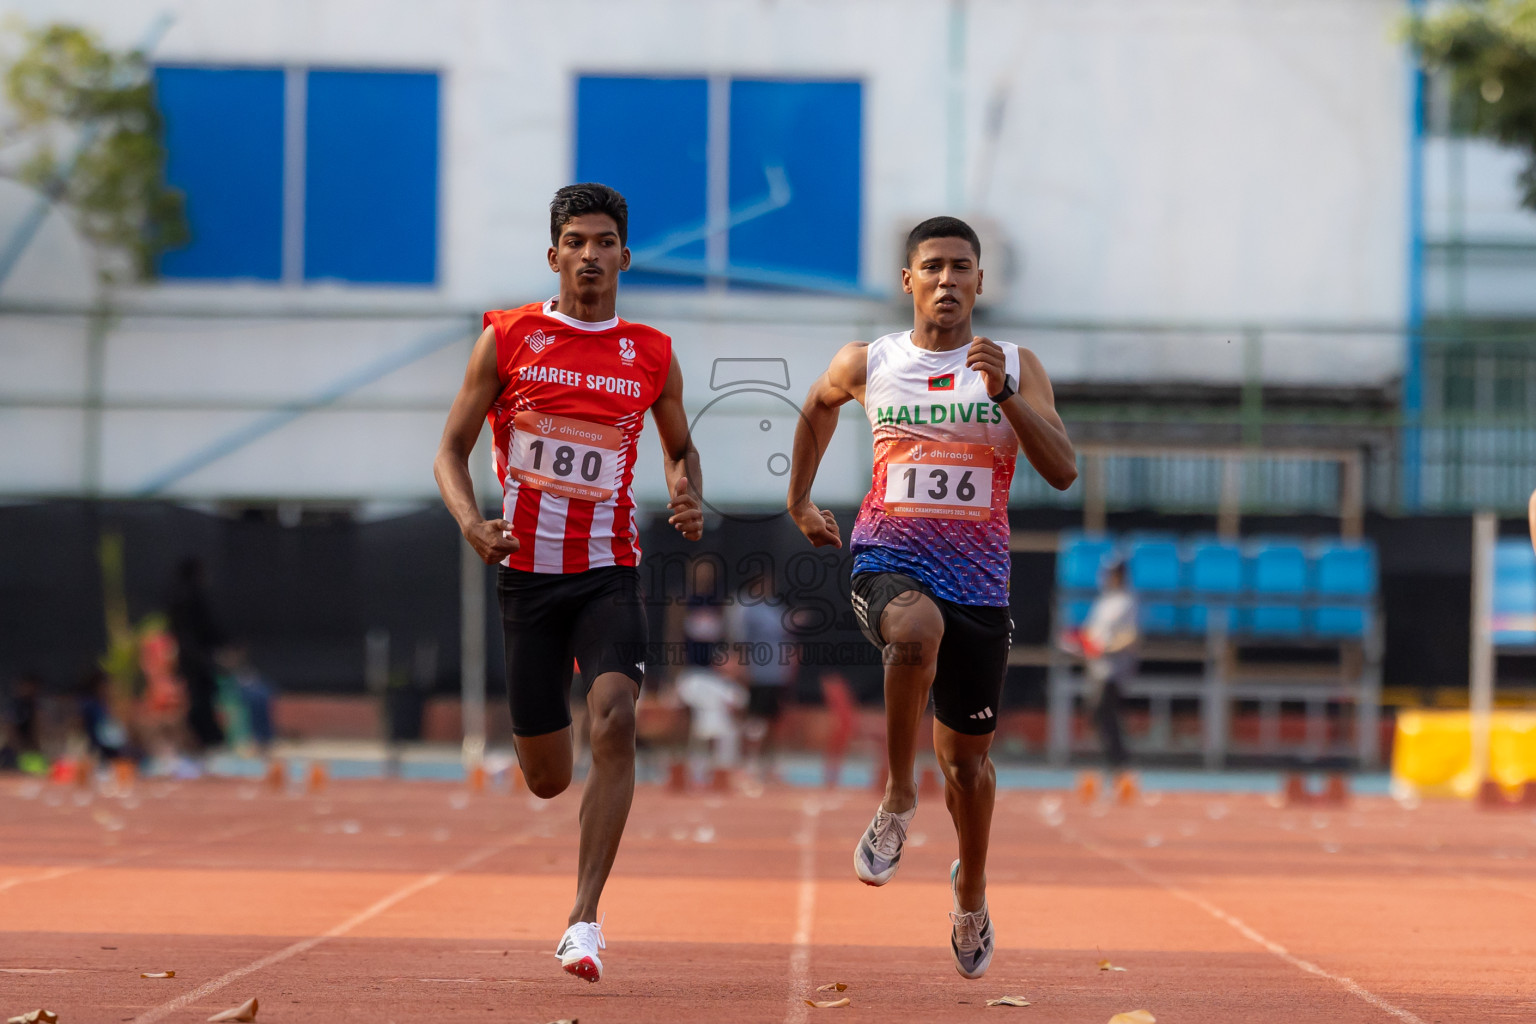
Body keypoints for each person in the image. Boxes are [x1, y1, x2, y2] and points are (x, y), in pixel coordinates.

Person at [787, 216, 1077, 979]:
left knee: (968, 768)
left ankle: (970, 893)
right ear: (909, 281)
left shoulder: (1018, 364)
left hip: (978, 583)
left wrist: (1005, 393)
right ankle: (896, 799)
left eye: (961, 267)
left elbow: (1062, 470)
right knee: (913, 630)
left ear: (980, 281)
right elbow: (818, 403)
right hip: (889, 558)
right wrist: (799, 498)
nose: (947, 280)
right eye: (934, 266)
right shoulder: (871, 360)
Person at [433, 183, 703, 984]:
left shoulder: (651, 352)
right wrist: (472, 523)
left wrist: (685, 489)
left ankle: (583, 920)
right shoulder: (507, 338)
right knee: (548, 778)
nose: (590, 255)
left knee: (615, 719)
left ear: (625, 256)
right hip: (526, 579)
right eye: (576, 242)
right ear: (554, 255)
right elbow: (449, 452)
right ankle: (565, 799)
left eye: (604, 242)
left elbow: (679, 446)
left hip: (607, 573)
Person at [726, 566, 796, 780]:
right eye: (763, 584)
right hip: (758, 670)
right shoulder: (748, 609)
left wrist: (788, 666)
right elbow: (741, 641)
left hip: (777, 671)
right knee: (755, 719)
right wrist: (744, 667)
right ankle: (749, 762)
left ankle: (769, 764)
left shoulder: (776, 608)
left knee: (774, 719)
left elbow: (786, 635)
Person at [1077, 559, 1137, 777]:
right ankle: (1115, 763)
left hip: (1114, 670)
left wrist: (1106, 648)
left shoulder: (1127, 602)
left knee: (1104, 711)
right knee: (1098, 713)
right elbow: (1090, 632)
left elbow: (1130, 636)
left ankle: (1120, 763)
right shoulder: (1103, 602)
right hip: (1097, 667)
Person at [166, 557, 226, 752]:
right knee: (202, 699)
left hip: (187, 657)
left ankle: (203, 738)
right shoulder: (195, 597)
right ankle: (208, 738)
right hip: (198, 658)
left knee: (196, 697)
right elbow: (209, 628)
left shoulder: (175, 597)